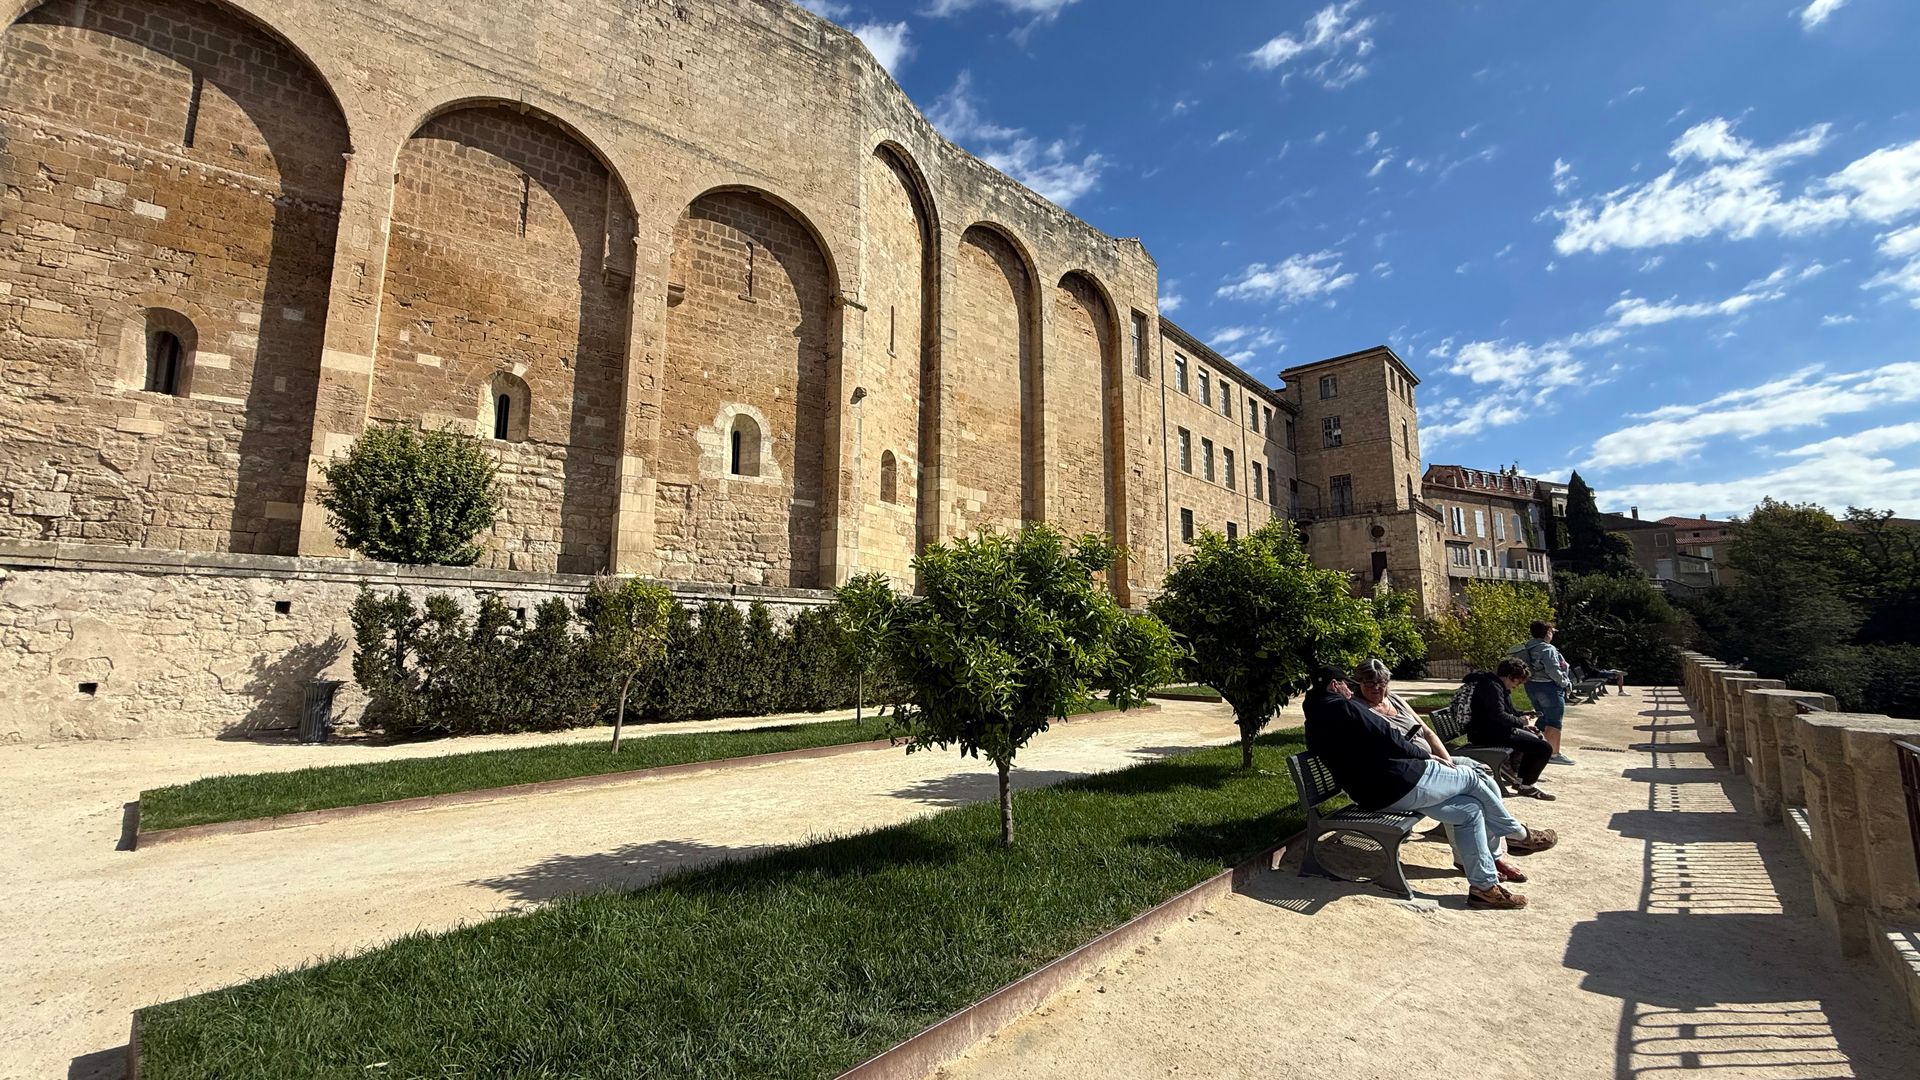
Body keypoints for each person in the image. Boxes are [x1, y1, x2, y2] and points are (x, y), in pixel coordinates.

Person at [1304, 665, 1556, 909]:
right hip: (1398, 783)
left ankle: (1484, 888)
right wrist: (1425, 755)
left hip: (1377, 791)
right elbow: (1389, 737)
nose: (1350, 689)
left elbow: (1339, 747)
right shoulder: (1345, 707)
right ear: (1335, 685)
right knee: (1471, 777)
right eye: (1347, 685)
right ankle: (1518, 835)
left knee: (1469, 811)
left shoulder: (1315, 712)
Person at [1459, 658, 1555, 800]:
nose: (1517, 686)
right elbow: (1498, 715)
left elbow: (1506, 712)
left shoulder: (1495, 685)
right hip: (1486, 734)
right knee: (1544, 748)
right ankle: (1526, 786)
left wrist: (1522, 718)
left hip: (1490, 730)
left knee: (1537, 740)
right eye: (1517, 682)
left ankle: (1522, 782)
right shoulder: (1491, 688)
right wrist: (1520, 722)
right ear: (1510, 677)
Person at [1510, 620, 1575, 766]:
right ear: (1547, 633)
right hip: (1548, 687)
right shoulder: (1547, 649)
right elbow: (1553, 670)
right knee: (1554, 720)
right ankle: (1553, 753)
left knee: (1542, 717)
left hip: (1532, 686)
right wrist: (1565, 683)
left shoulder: (1527, 647)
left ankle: (1535, 749)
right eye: (1551, 632)